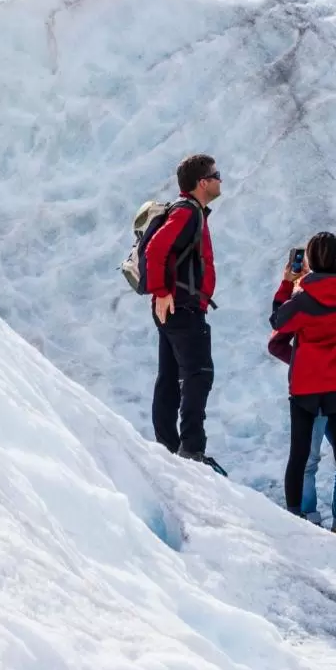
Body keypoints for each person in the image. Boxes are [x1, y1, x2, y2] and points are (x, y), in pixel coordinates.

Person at [269, 232, 336, 542]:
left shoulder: (302, 300)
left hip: (307, 386)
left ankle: (296, 517)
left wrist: (288, 284)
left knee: (299, 455)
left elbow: (277, 322)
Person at [145, 153, 220, 463]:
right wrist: (161, 292)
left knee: (170, 375)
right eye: (217, 175)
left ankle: (168, 444)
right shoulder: (187, 212)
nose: (220, 180)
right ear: (202, 183)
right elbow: (155, 248)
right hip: (181, 306)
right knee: (198, 374)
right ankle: (190, 449)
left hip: (177, 306)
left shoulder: (190, 212)